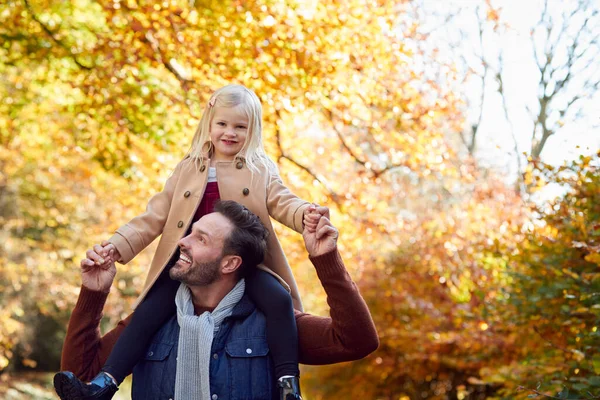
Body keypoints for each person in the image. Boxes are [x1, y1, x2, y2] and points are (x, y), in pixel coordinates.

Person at [53, 84, 329, 399]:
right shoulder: (188, 168)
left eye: (240, 127)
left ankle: (288, 385)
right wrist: (117, 245)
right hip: (189, 260)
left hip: (242, 260)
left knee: (278, 300)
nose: (230, 133)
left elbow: (282, 201)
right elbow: (154, 216)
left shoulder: (259, 168)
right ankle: (104, 384)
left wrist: (306, 213)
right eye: (222, 124)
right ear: (209, 124)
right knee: (146, 313)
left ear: (252, 131)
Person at [55, 201, 378, 400]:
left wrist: (326, 259)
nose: (183, 242)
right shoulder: (149, 322)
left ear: (229, 264)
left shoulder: (272, 324)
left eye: (200, 238)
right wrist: (93, 293)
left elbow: (357, 341)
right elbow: (79, 379)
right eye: (190, 231)